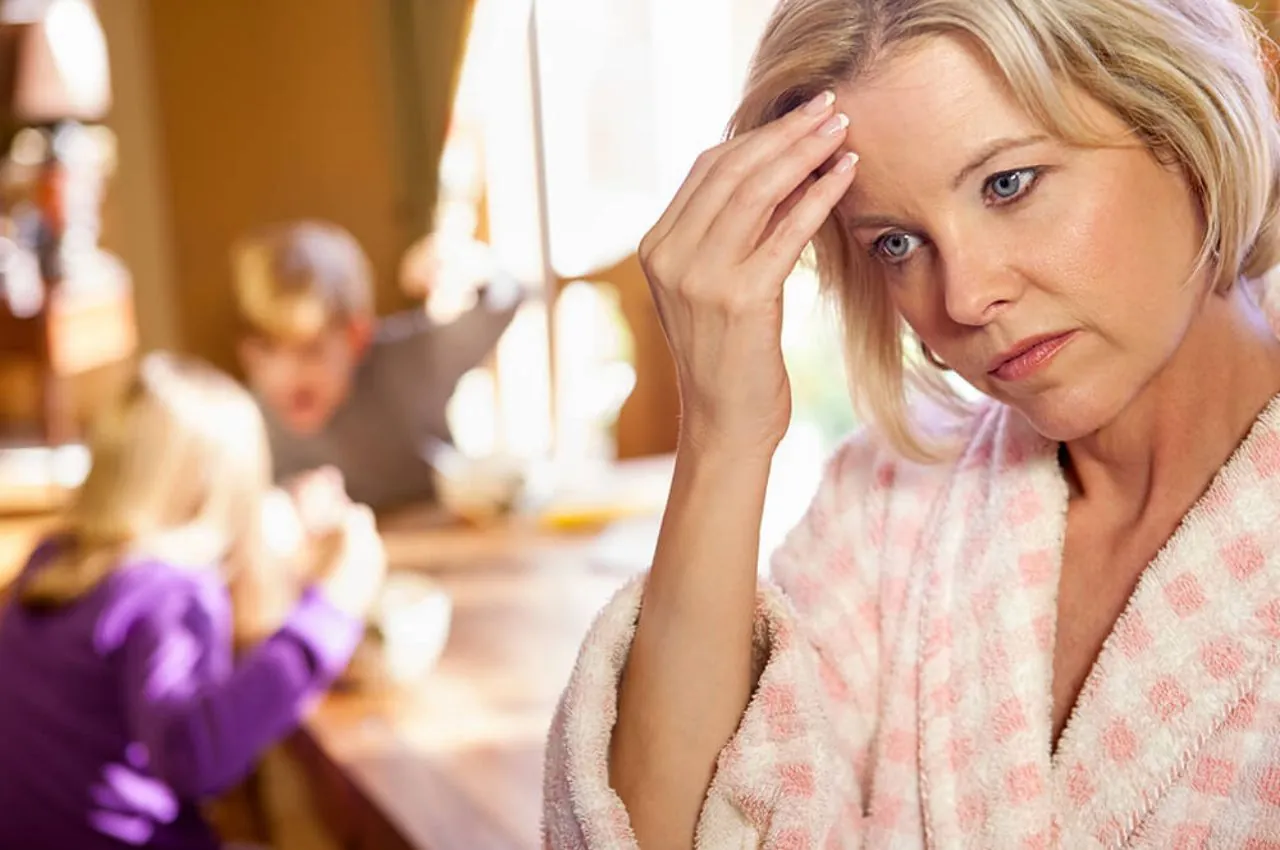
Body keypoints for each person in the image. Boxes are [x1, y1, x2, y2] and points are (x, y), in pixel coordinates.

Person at [542, 0, 1280, 846]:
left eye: (1009, 184)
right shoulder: (887, 505)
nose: (964, 299)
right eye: (897, 242)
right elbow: (668, 832)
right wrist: (722, 433)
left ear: (1183, 123)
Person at [0, 352, 385, 850]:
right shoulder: (170, 596)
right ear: (225, 494)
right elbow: (195, 754)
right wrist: (332, 610)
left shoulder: (53, 561)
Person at [232, 220, 522, 510]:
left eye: (311, 351)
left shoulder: (409, 363)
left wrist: (466, 263)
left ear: (356, 336)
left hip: (436, 533)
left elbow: (503, 302)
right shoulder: (243, 424)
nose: (285, 375)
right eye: (266, 349)